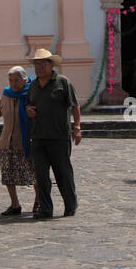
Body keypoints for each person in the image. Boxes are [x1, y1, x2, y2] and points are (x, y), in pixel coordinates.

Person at [26, 49, 81, 219]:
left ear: (51, 65)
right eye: (37, 64)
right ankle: (46, 208)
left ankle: (70, 205)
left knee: (63, 174)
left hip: (59, 137)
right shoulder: (33, 85)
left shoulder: (62, 82)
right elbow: (29, 104)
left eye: (43, 63)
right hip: (38, 136)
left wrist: (77, 127)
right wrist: (28, 110)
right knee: (41, 176)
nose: (39, 67)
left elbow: (75, 105)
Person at [0, 66, 40, 215]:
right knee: (8, 174)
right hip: (7, 142)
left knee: (35, 173)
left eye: (16, 80)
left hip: (26, 142)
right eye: (11, 80)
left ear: (24, 80)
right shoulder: (6, 94)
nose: (13, 83)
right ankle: (15, 204)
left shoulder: (32, 94)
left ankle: (38, 201)